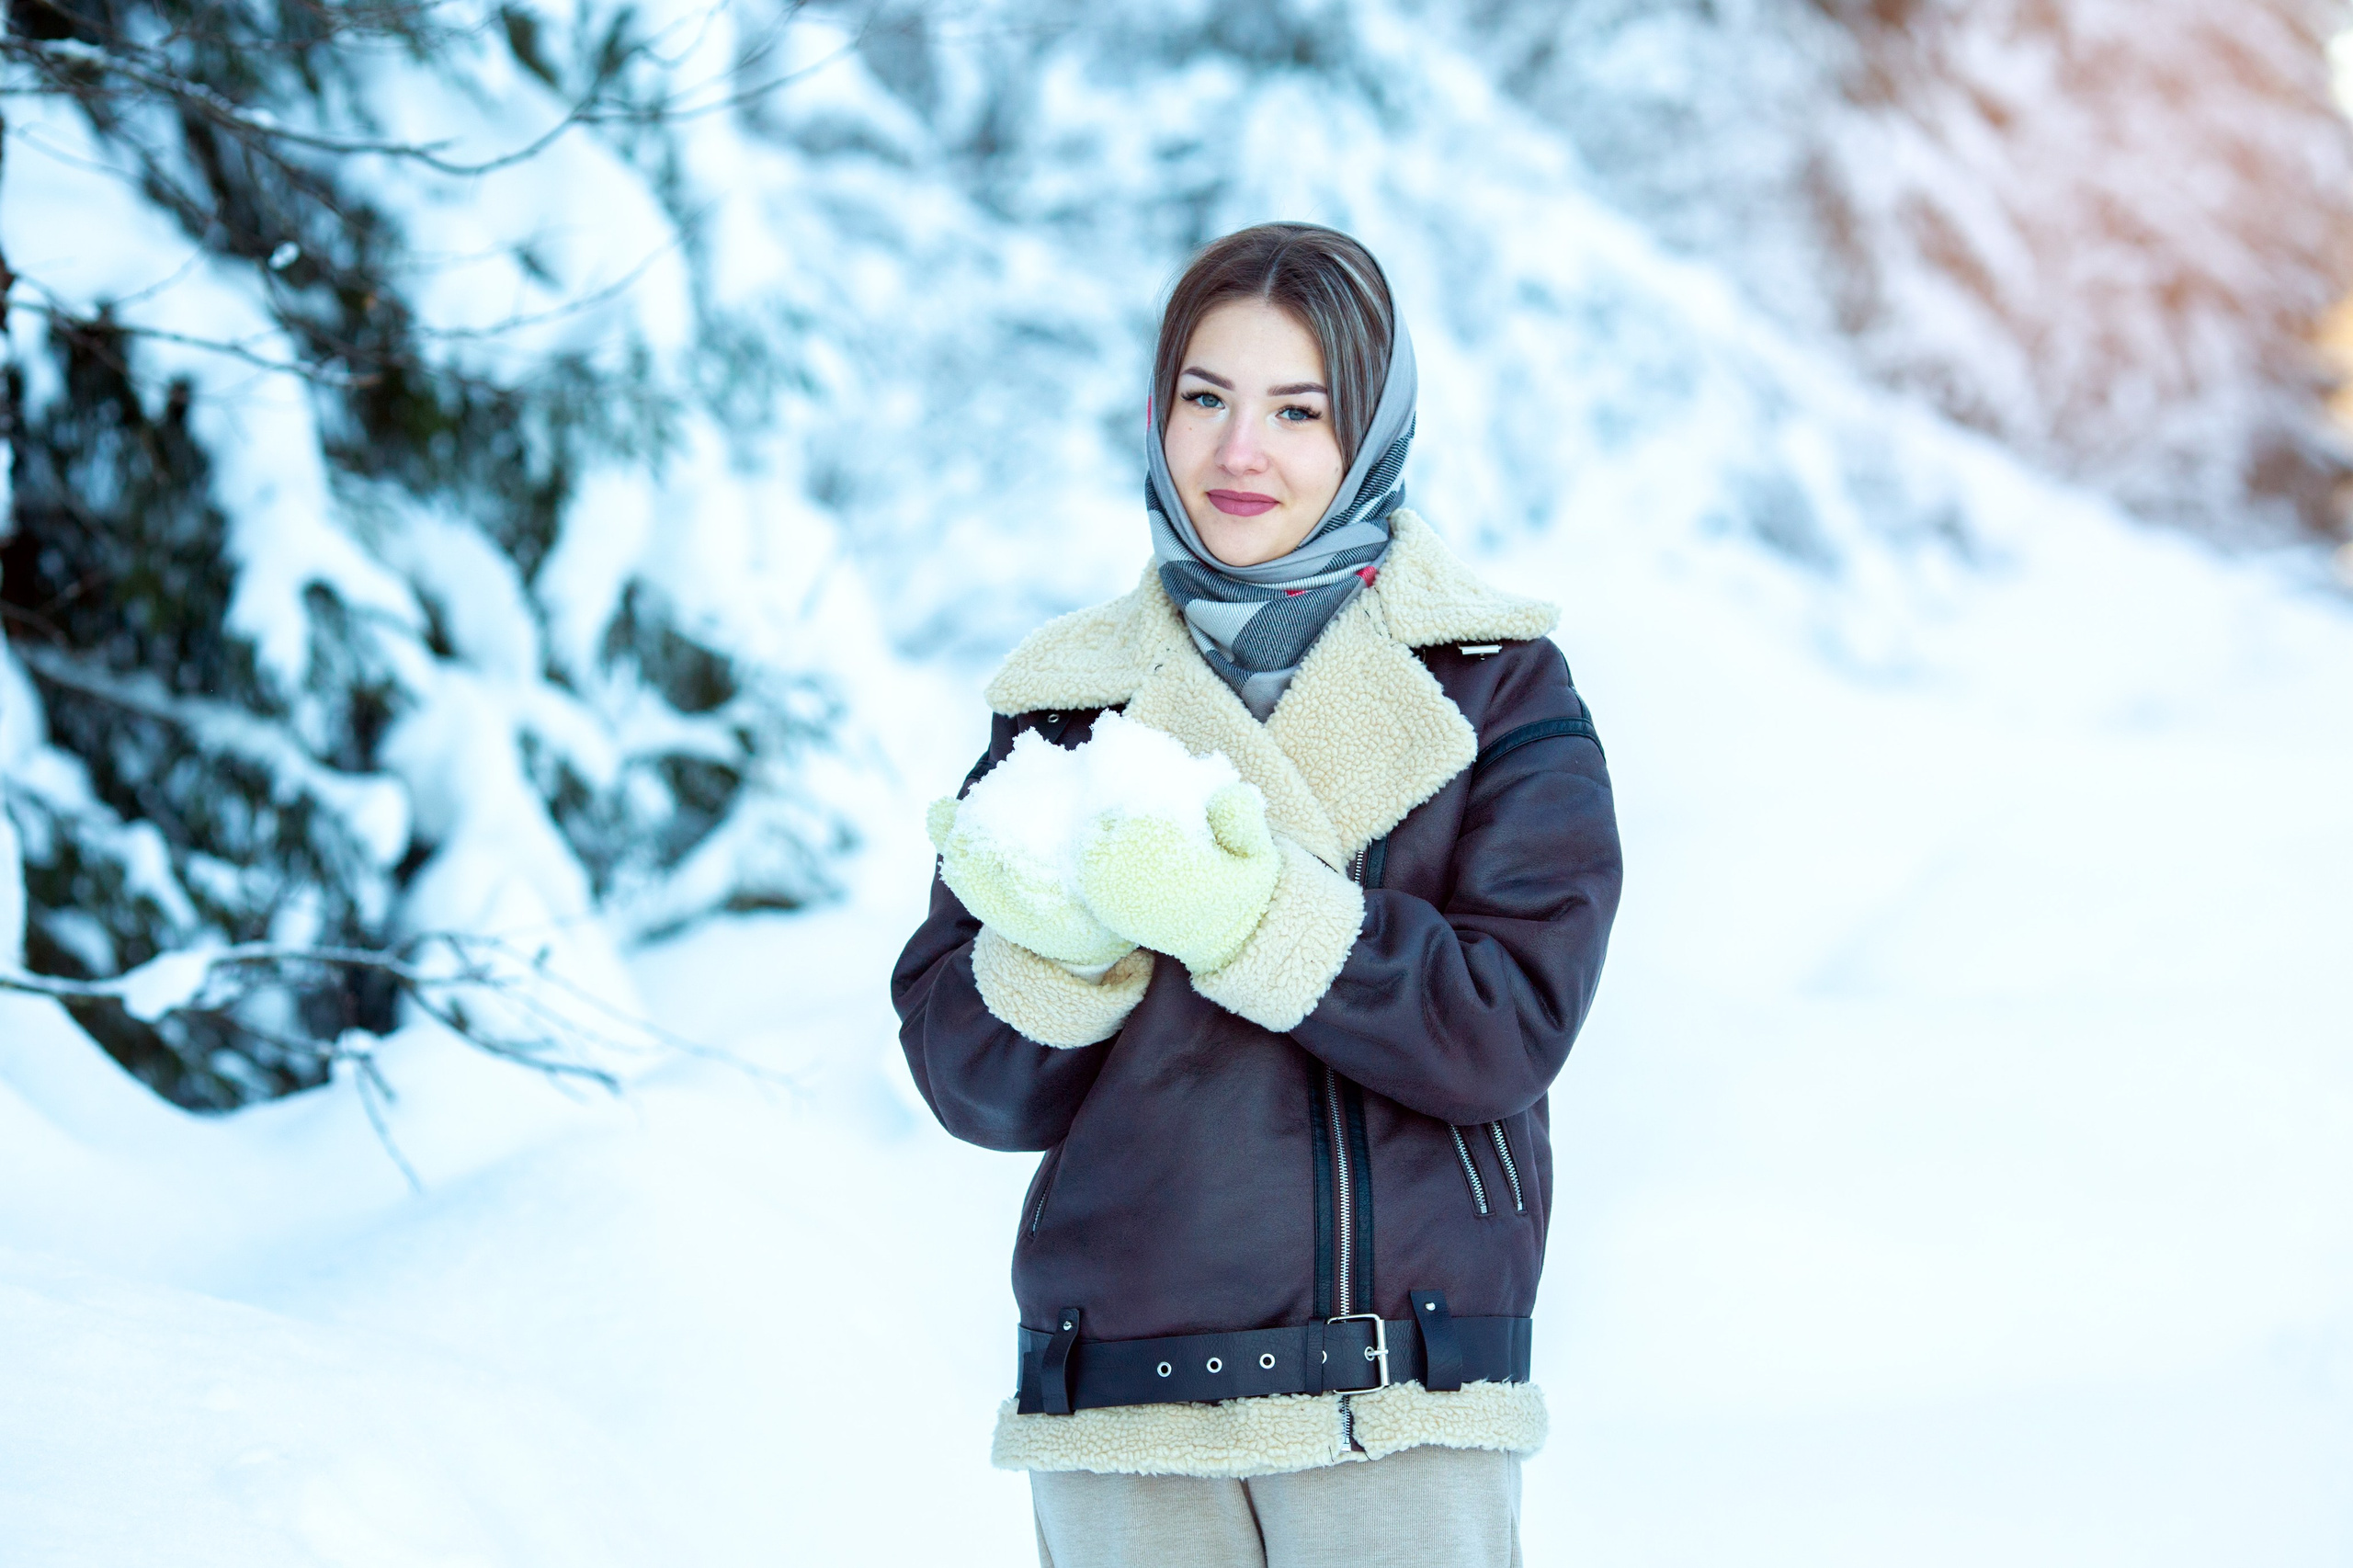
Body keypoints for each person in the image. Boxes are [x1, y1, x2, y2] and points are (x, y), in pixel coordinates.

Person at [892, 222, 1622, 1568]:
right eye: (1205, 398)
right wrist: (1064, 955)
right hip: (1121, 1401)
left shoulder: (1493, 684)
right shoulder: (1067, 704)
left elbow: (1507, 1025)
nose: (1241, 452)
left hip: (1399, 1394)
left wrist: (1252, 919)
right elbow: (966, 1081)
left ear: (1373, 429)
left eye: (1299, 409)